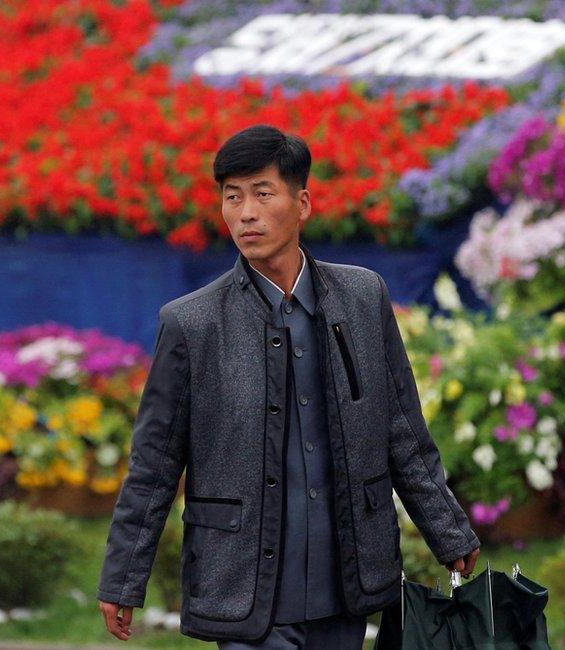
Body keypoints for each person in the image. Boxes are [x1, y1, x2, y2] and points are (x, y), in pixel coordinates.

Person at [95, 124, 480, 648]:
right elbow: (155, 462)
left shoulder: (363, 299)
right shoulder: (191, 324)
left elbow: (402, 429)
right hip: (244, 584)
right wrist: (123, 577)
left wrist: (447, 530)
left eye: (262, 193)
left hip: (347, 582)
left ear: (302, 204)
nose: (245, 212)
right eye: (232, 197)